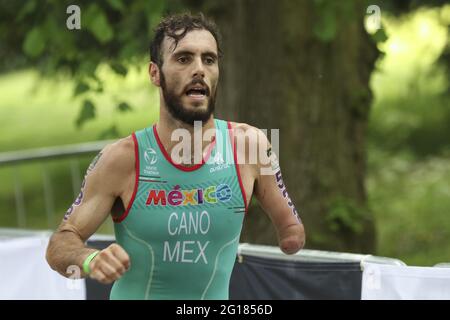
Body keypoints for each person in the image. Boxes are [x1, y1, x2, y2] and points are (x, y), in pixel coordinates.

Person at [46, 13, 305, 300]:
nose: (199, 70)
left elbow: (290, 229)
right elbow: (60, 243)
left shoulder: (249, 146)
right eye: (183, 59)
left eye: (209, 60)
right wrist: (89, 260)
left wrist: (291, 235)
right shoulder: (122, 158)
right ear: (155, 73)